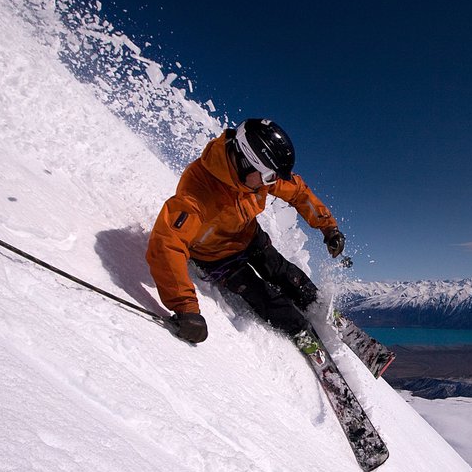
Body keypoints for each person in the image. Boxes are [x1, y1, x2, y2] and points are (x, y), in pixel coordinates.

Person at [146, 118, 345, 350]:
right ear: (245, 162)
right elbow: (166, 245)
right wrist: (185, 308)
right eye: (269, 177)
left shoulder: (256, 177)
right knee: (263, 296)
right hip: (217, 258)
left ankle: (316, 304)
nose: (270, 184)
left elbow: (298, 193)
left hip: (249, 237)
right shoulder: (198, 192)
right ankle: (299, 330)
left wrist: (328, 227)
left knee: (284, 272)